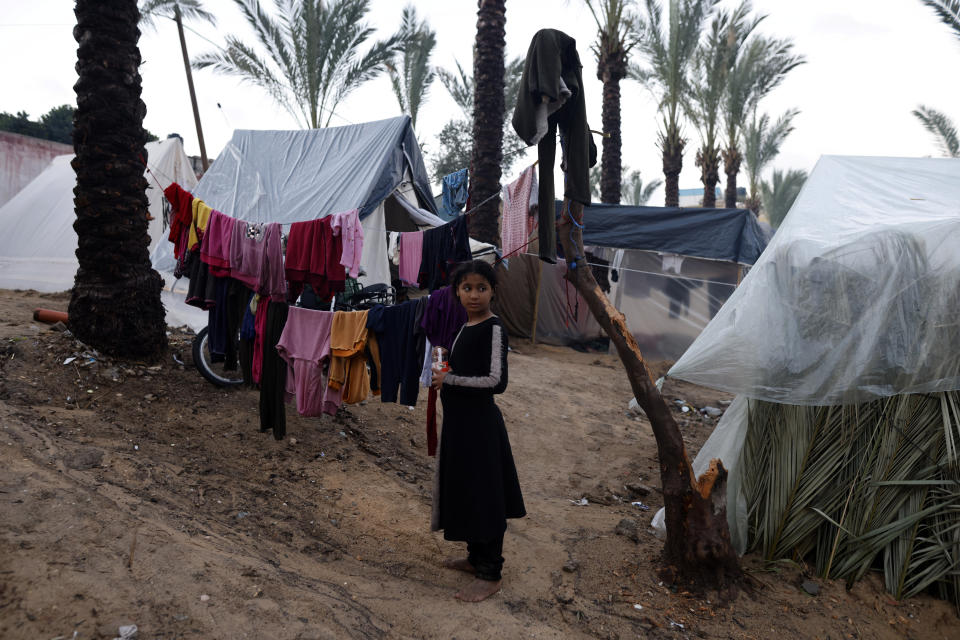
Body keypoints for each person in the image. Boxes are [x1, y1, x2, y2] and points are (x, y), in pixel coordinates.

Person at [431, 260, 526, 602]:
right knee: (467, 492)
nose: (474, 295)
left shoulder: (494, 327)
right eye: (467, 288)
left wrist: (450, 379)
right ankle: (474, 559)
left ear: (493, 291)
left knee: (486, 498)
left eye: (481, 288)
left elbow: (496, 382)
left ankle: (490, 572)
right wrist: (446, 372)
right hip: (459, 426)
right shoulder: (463, 326)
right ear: (457, 292)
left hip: (481, 428)